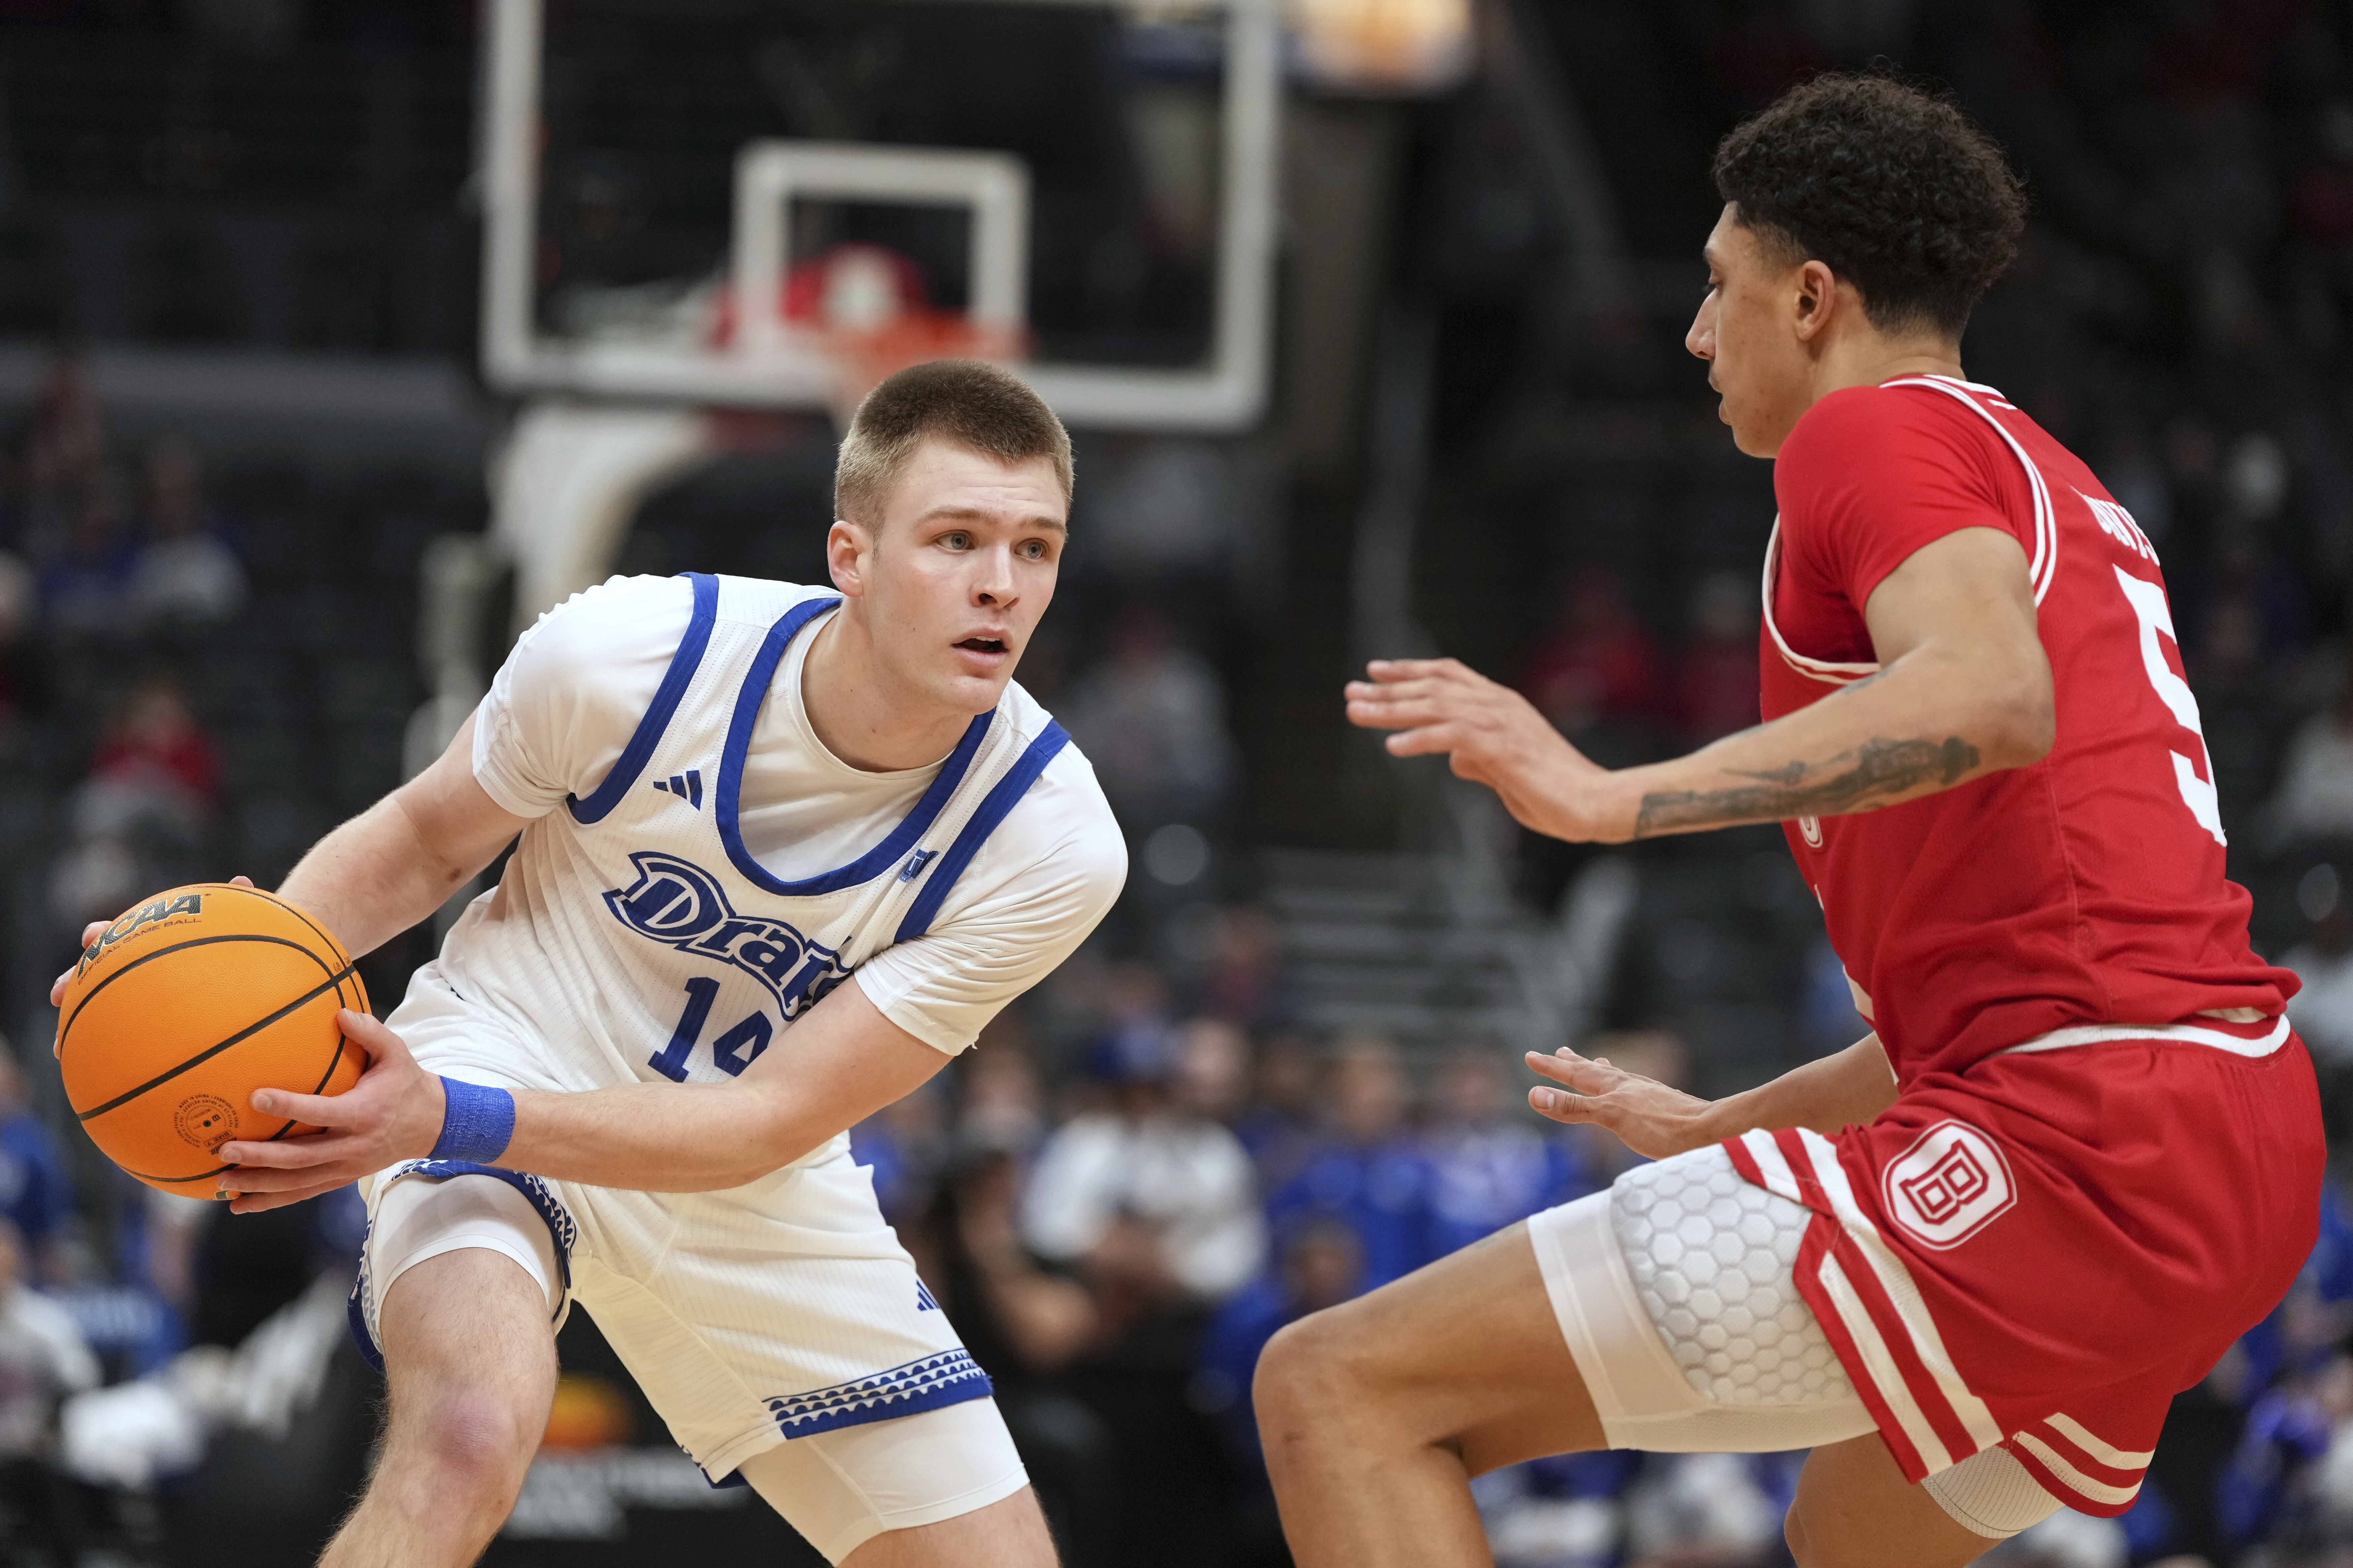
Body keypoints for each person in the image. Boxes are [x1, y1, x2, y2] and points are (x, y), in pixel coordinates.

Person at [1255, 75, 2322, 1568]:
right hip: (2232, 1124)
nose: (1697, 334)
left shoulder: (1870, 436)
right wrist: (1724, 1126)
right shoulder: (2055, 482)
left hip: (2088, 1140)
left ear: (1811, 298)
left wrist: (1609, 797)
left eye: (1718, 285)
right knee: (1850, 1537)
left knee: (1337, 1388)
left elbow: (1989, 696)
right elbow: (2018, 969)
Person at [57, 361, 1127, 1568]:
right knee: (471, 1430)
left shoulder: (1052, 842)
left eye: (1036, 548)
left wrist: (440, 1114)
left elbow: (765, 1120)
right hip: (505, 1049)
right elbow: (422, 842)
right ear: (853, 556)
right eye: (957, 539)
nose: (1000, 585)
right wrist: (208, 988)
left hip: (749, 1174)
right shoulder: (635, 655)